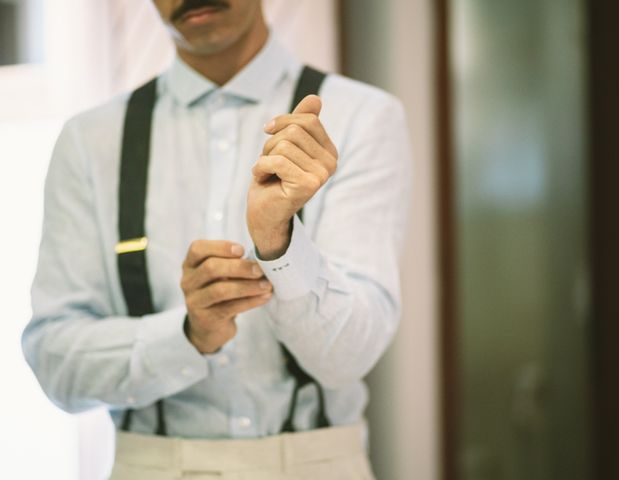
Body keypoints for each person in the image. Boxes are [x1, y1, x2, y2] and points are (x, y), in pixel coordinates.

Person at [22, 0, 412, 478]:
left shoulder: (362, 117)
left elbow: (350, 356)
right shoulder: (89, 140)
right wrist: (186, 336)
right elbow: (56, 364)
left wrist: (280, 246)